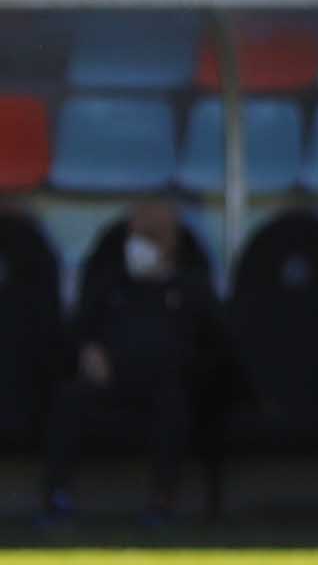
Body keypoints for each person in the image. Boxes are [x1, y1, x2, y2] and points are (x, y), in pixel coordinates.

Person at [37, 202, 226, 526]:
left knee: (174, 403)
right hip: (108, 381)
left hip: (165, 386)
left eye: (151, 237)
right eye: (137, 235)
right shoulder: (110, 282)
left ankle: (161, 502)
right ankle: (57, 499)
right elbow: (77, 330)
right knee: (69, 399)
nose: (140, 245)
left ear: (170, 243)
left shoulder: (190, 287)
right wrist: (87, 351)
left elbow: (214, 342)